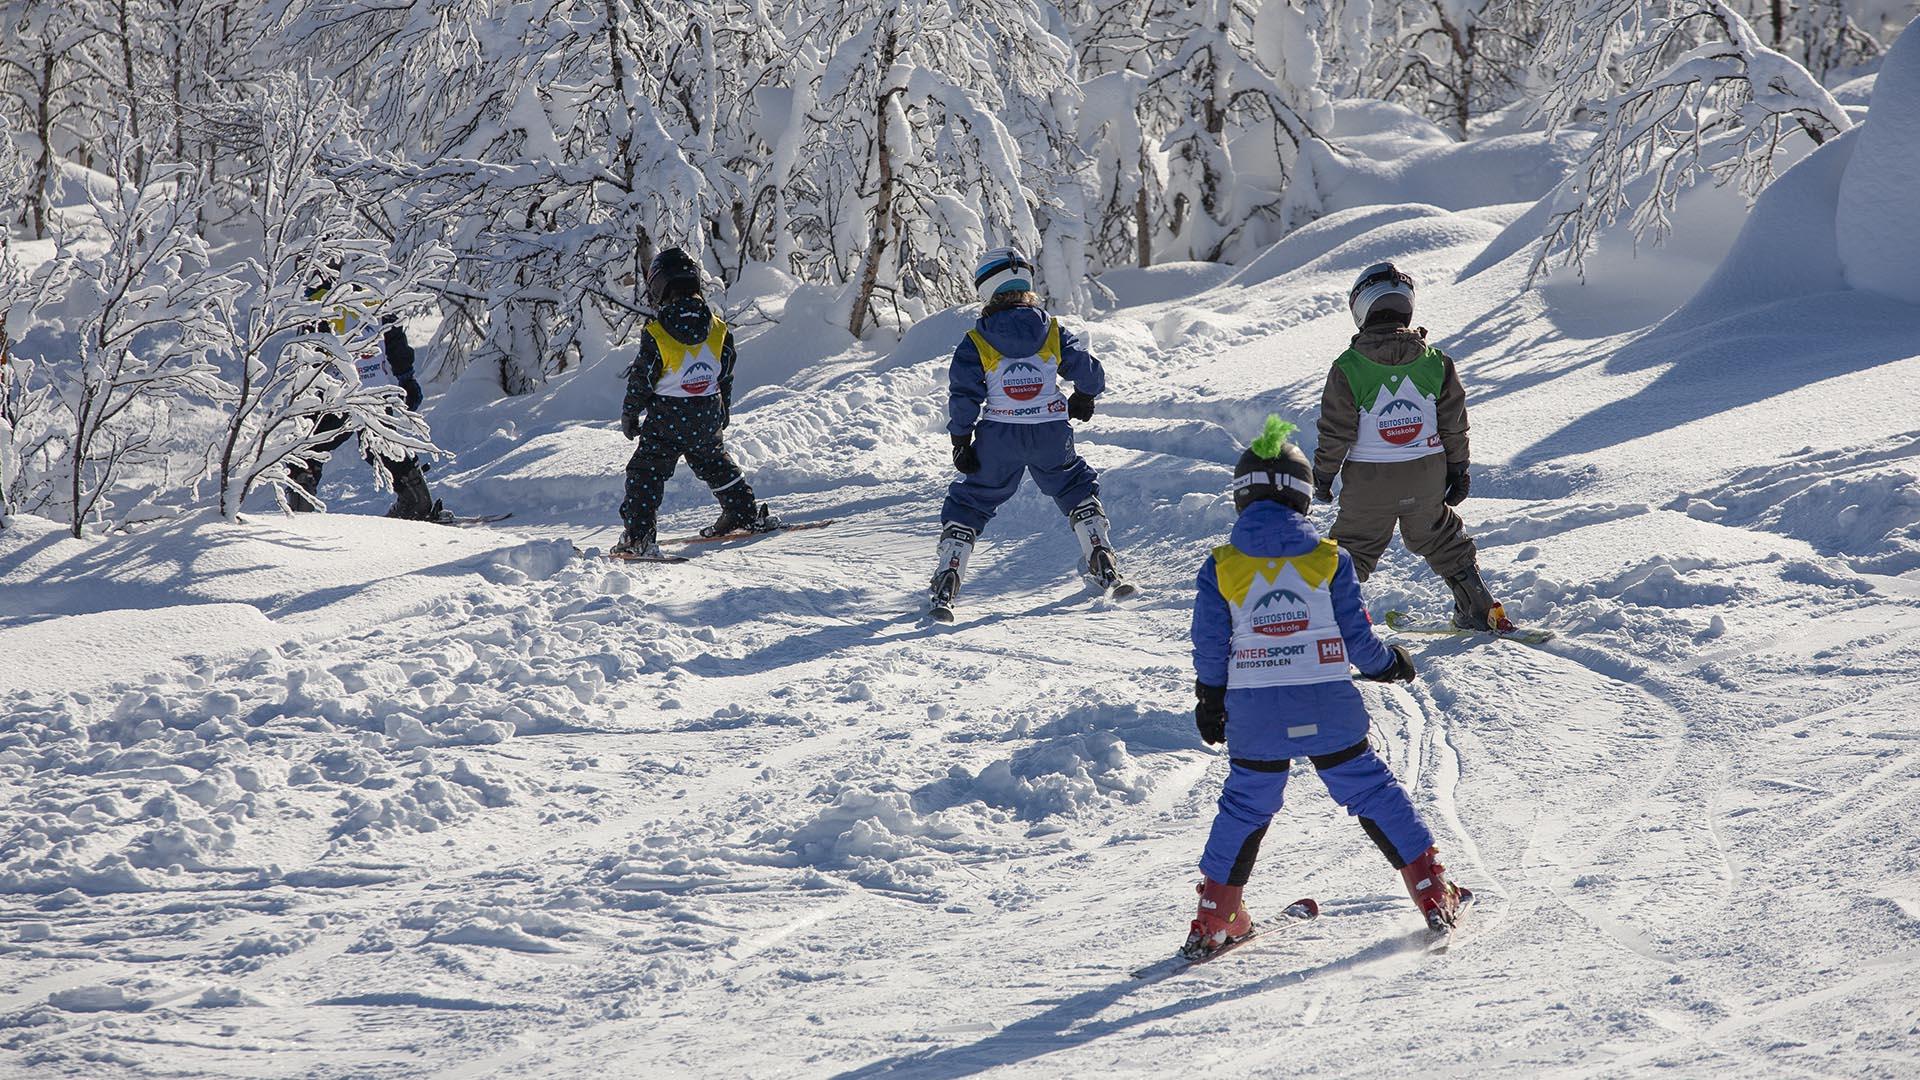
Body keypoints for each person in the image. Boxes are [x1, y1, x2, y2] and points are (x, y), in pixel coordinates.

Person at [1185, 415, 1470, 958]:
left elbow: (1209, 643)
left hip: (1256, 715)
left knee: (1245, 806)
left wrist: (1210, 699)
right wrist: (1389, 664)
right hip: (1327, 705)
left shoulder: (1221, 565)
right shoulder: (1328, 558)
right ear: (1301, 499)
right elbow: (1358, 638)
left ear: (1241, 498)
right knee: (1371, 791)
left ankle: (1216, 917)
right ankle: (1433, 889)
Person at [1312, 262, 1510, 632]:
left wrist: (1323, 475)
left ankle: (1324, 625)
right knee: (1442, 537)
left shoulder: (1349, 367)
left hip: (1370, 483)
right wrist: (1458, 469)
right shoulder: (1436, 363)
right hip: (1425, 476)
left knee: (1351, 549)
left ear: (1360, 308)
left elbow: (1335, 432)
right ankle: (1478, 608)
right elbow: (1453, 424)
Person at [929, 245, 1126, 615]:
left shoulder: (977, 341)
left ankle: (951, 567)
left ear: (985, 290)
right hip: (1050, 431)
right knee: (1072, 484)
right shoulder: (1051, 329)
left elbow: (964, 394)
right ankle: (1099, 548)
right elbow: (1088, 371)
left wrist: (961, 439)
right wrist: (1084, 396)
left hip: (999, 436)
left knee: (974, 498)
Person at [613, 247, 771, 557]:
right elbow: (724, 374)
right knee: (715, 463)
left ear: (659, 286)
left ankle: (639, 536)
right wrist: (722, 408)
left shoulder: (657, 332)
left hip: (667, 418)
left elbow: (642, 379)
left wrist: (630, 414)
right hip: (706, 412)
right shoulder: (718, 328)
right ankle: (742, 512)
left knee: (646, 472)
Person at [288, 278, 449, 522]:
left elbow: (307, 353)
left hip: (336, 393)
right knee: (384, 446)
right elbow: (394, 340)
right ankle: (417, 502)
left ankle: (301, 511)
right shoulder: (375, 292)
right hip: (376, 392)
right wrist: (407, 378)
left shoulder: (318, 302)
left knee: (310, 449)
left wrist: (306, 395)